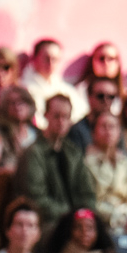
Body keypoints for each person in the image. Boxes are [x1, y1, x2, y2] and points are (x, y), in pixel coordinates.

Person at [15, 95, 94, 225]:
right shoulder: (34, 153)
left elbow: (87, 192)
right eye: (57, 116)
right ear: (46, 116)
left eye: (66, 117)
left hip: (76, 221)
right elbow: (36, 199)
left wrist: (85, 215)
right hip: (46, 222)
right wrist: (71, 215)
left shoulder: (73, 152)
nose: (61, 122)